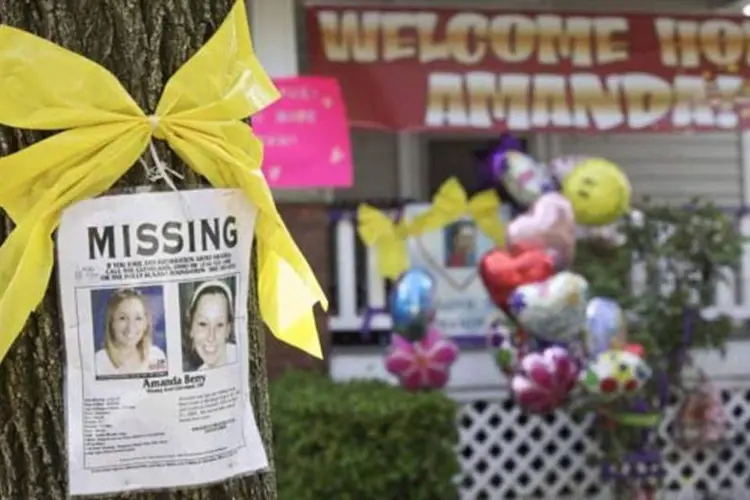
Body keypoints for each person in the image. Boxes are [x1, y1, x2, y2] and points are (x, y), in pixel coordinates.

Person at [94, 288, 167, 376]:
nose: (131, 327)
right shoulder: (99, 362)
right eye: (123, 318)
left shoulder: (156, 356)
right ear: (111, 323)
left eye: (138, 318)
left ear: (145, 324)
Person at [184, 280, 237, 371]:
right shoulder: (201, 371)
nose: (211, 337)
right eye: (203, 324)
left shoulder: (239, 356)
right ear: (191, 328)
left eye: (219, 325)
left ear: (228, 330)